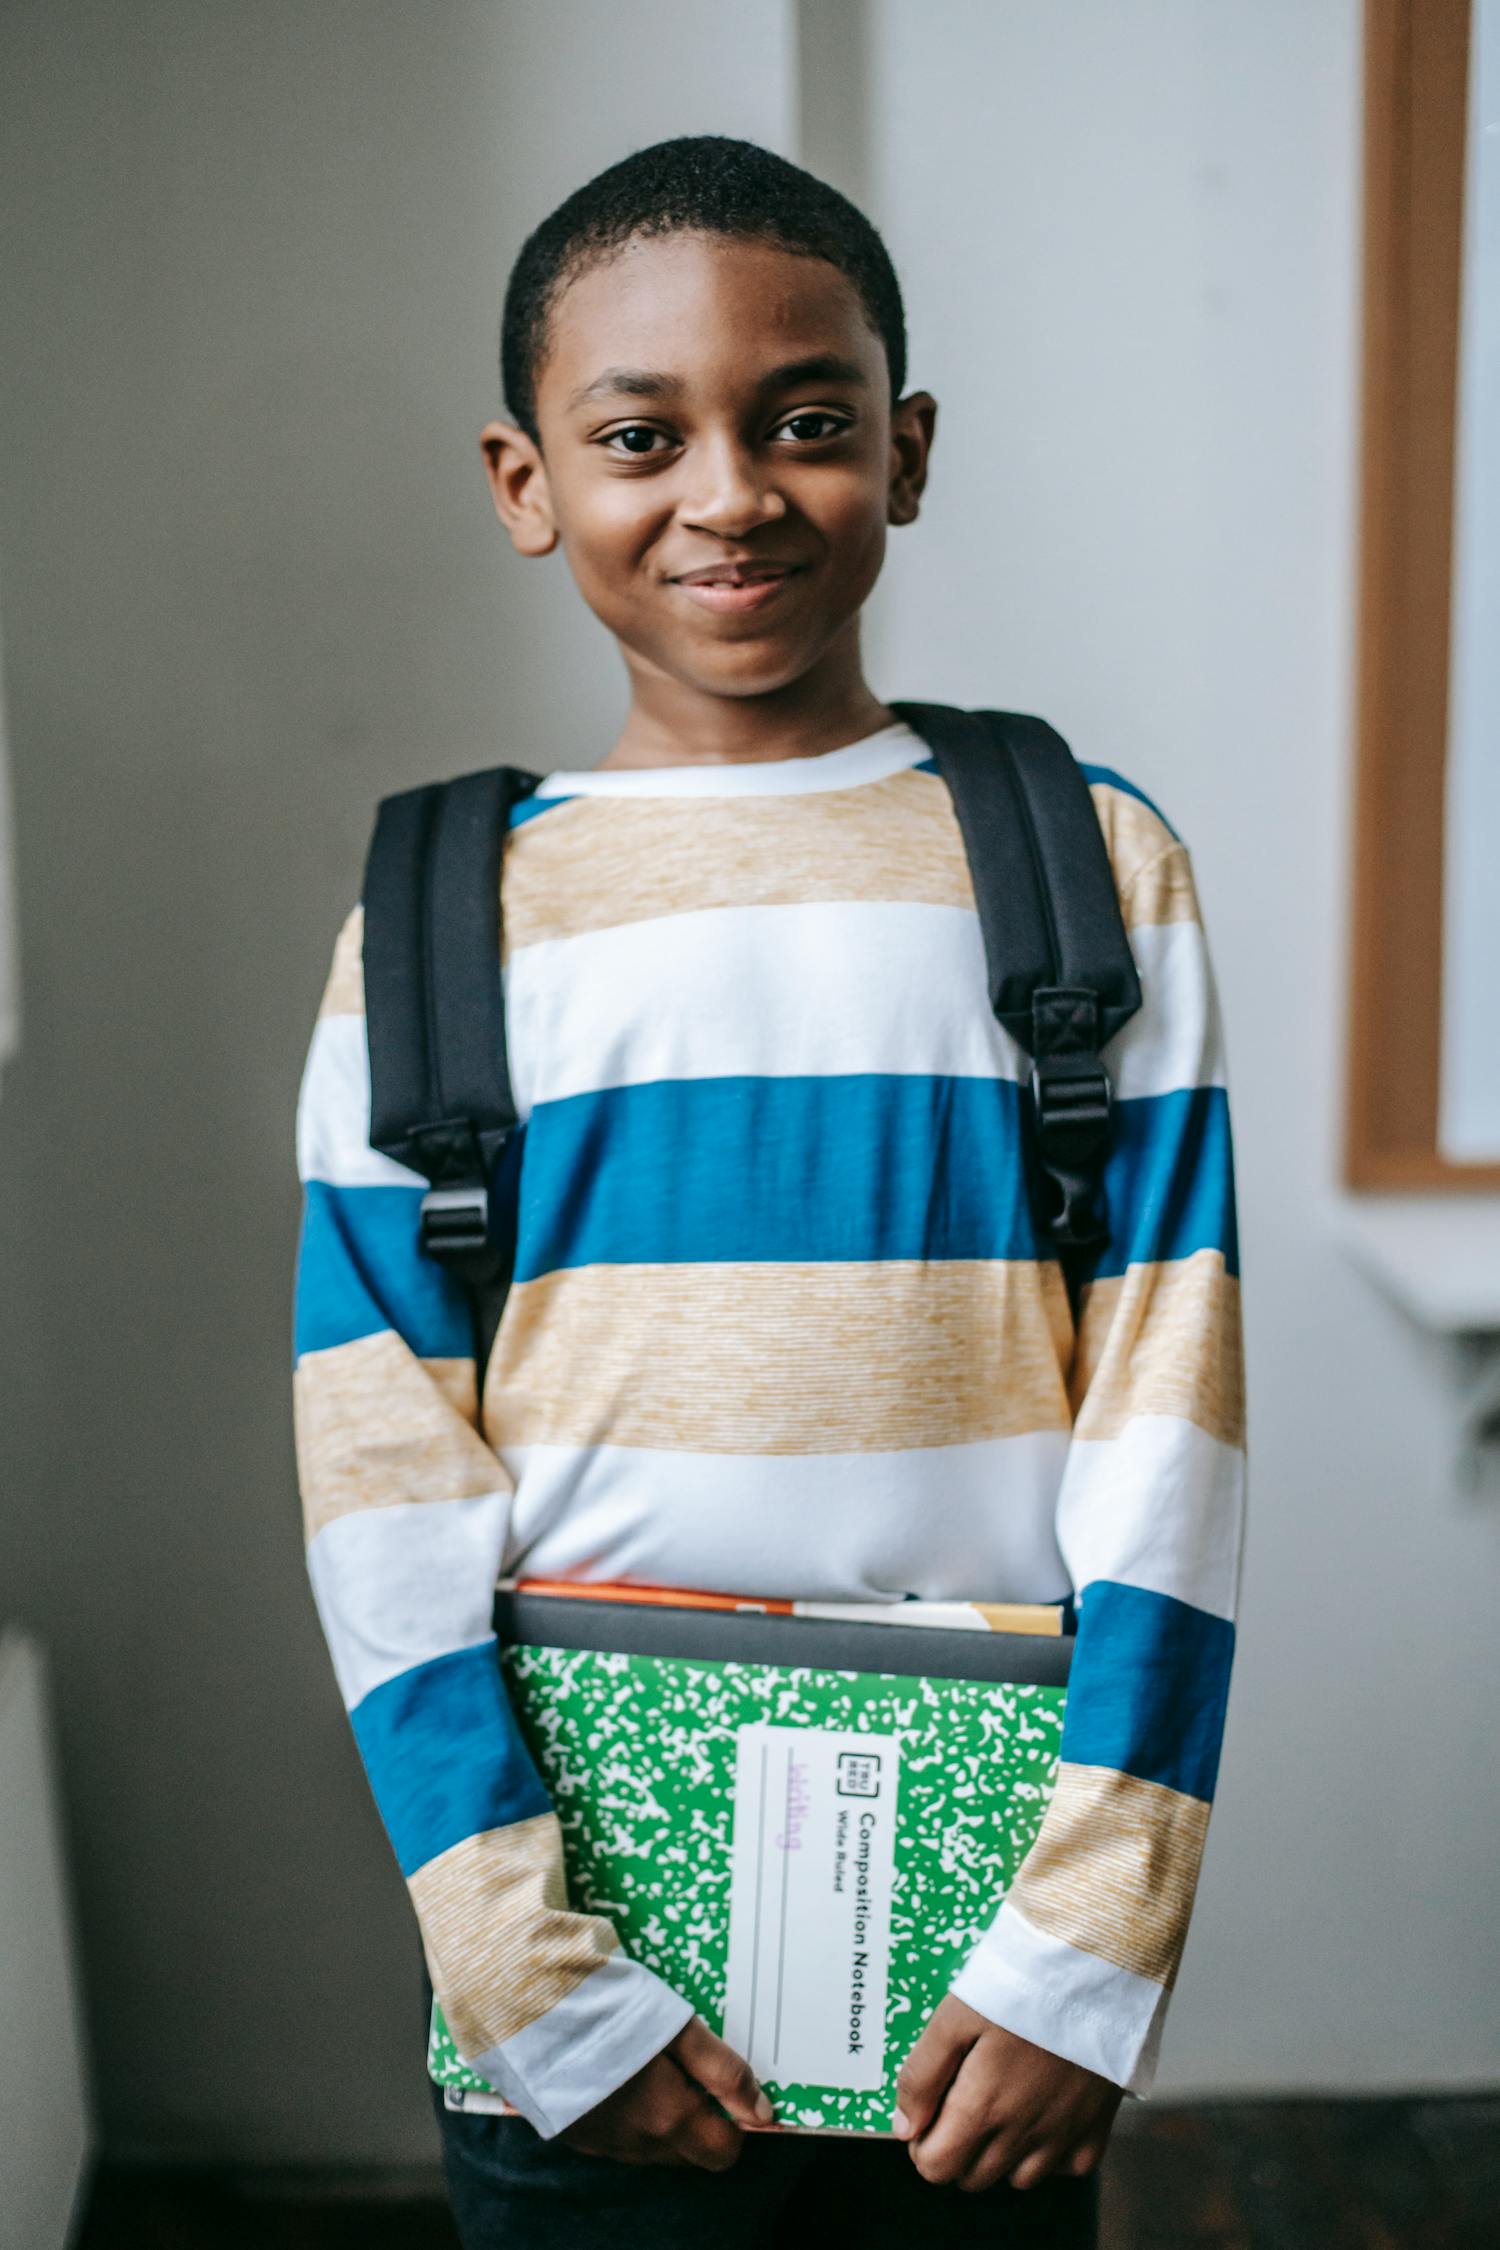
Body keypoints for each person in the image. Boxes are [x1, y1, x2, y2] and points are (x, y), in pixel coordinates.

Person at [291, 134, 1245, 2249]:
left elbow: (1170, 1426)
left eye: (805, 422)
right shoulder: (444, 912)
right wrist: (527, 1974)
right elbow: (378, 1479)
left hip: (978, 1986)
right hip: (579, 1970)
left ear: (903, 453)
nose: (729, 491)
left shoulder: (1086, 862)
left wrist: (1088, 1947)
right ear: (526, 481)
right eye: (641, 436)